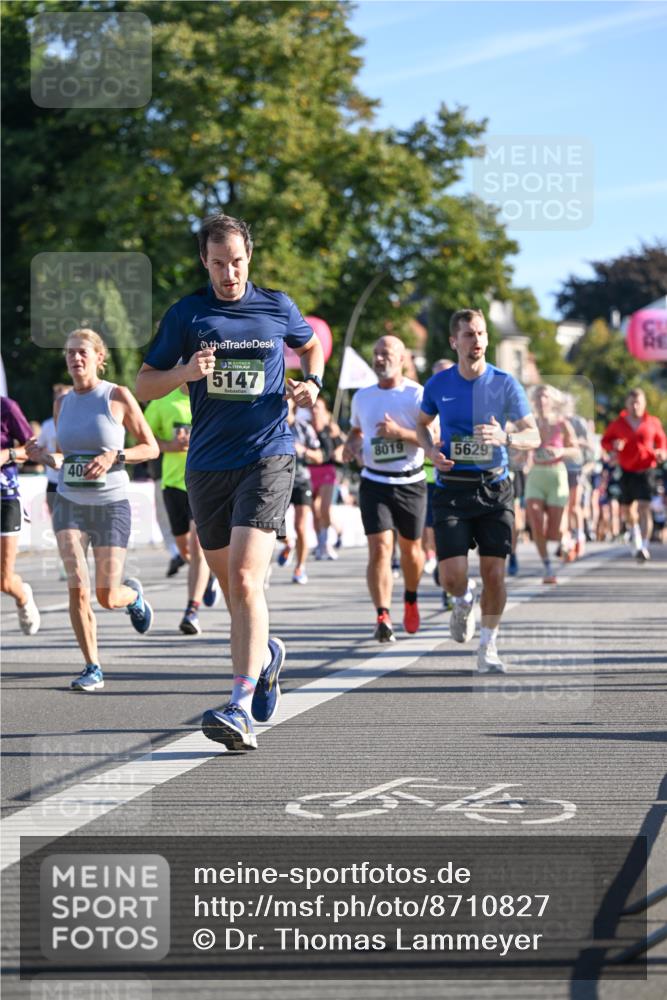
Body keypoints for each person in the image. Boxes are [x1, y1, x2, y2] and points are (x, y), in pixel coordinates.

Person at [136, 213, 324, 751]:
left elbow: (309, 346)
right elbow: (145, 384)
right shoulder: (188, 314)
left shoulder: (276, 306)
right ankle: (265, 658)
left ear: (250, 257)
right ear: (205, 261)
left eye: (237, 261)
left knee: (244, 581)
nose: (229, 273)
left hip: (268, 455)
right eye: (218, 263)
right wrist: (185, 374)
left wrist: (311, 383)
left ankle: (238, 706)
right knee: (231, 585)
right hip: (206, 464)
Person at [26, 329, 159, 691]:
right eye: (70, 353)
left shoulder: (116, 396)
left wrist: (116, 455)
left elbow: (150, 448)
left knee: (106, 595)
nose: (75, 358)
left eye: (83, 352)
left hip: (110, 505)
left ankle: (132, 596)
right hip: (69, 502)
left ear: (99, 357)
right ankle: (92, 666)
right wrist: (41, 457)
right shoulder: (63, 402)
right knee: (78, 587)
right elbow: (62, 459)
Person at [417, 308, 539, 673]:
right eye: (470, 335)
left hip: (494, 488)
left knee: (496, 575)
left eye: (482, 334)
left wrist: (506, 437)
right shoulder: (438, 384)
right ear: (455, 341)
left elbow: (533, 435)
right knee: (451, 576)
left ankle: (487, 646)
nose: (478, 341)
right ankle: (463, 598)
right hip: (452, 489)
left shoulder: (505, 383)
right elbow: (422, 425)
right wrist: (429, 451)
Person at [342, 335, 426, 642]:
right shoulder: (363, 397)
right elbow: (356, 431)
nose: (379, 358)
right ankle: (382, 614)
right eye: (376, 353)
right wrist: (350, 446)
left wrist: (399, 432)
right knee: (379, 549)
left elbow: (433, 439)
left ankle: (411, 597)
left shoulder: (417, 395)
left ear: (402, 358)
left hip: (410, 482)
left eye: (386, 353)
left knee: (411, 551)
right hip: (374, 481)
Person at [145, 385, 220, 635]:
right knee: (185, 547)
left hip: (204, 481)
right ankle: (208, 575)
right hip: (173, 482)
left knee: (197, 544)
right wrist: (168, 445)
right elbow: (144, 435)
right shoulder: (162, 400)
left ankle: (192, 610)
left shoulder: (214, 395)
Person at [601, 388, 667, 561]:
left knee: (644, 507)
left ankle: (643, 547)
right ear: (627, 404)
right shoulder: (618, 423)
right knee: (627, 510)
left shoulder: (653, 422)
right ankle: (635, 534)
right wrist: (614, 445)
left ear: (644, 404)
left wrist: (662, 453)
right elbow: (605, 441)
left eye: (638, 402)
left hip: (646, 469)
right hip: (626, 470)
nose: (635, 406)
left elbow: (662, 443)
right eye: (632, 403)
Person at [524, 385, 581, 584]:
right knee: (536, 523)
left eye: (545, 396)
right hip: (536, 475)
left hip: (556, 475)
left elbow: (575, 450)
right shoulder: (529, 423)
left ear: (552, 400)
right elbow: (521, 445)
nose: (541, 400)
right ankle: (547, 566)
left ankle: (567, 539)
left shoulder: (562, 423)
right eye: (538, 396)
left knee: (554, 532)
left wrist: (561, 452)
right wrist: (521, 455)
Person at [1, 396, 41, 634]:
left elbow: (33, 450)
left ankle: (22, 596)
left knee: (3, 580)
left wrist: (8, 455)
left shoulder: (6, 407)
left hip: (4, 498)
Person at [277, 397, 323, 584]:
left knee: (301, 526)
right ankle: (288, 543)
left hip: (301, 481)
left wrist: (302, 451)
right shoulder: (272, 427)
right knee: (275, 528)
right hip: (278, 482)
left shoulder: (304, 428)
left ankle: (299, 568)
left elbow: (319, 456)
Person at [36, 384, 71, 578]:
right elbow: (39, 447)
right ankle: (65, 561)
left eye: (64, 396)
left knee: (75, 526)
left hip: (74, 482)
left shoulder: (78, 420)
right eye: (57, 397)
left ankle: (76, 557)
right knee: (58, 525)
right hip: (53, 483)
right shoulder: (48, 424)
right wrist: (39, 454)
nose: (60, 401)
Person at [309, 395, 345, 559]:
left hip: (327, 471)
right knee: (315, 512)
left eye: (318, 407)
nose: (314, 410)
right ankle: (320, 543)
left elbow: (342, 449)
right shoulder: (306, 427)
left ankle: (325, 544)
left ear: (325, 411)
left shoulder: (331, 429)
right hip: (309, 471)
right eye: (313, 407)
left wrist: (337, 439)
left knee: (323, 508)